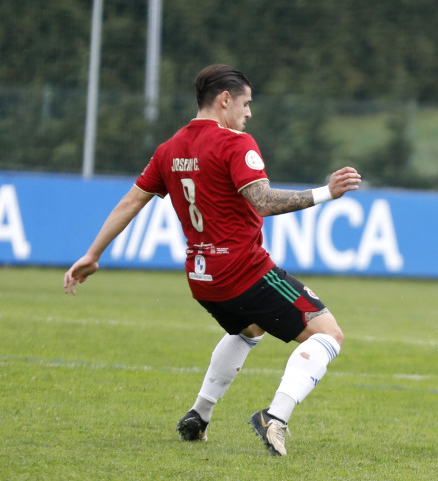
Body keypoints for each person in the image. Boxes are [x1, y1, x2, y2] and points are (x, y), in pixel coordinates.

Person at [63, 64, 362, 457]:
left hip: (203, 278)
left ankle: (198, 416)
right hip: (244, 270)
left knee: (250, 329)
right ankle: (276, 417)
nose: (249, 113)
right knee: (329, 334)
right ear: (225, 100)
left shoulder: (169, 149)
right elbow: (263, 201)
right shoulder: (235, 143)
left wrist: (92, 254)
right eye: (246, 103)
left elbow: (130, 201)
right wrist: (326, 192)